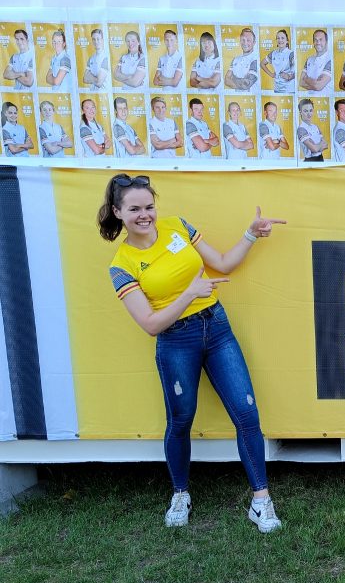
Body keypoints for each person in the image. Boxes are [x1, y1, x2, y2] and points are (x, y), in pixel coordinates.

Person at [99, 174, 285, 533]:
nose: (145, 215)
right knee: (181, 421)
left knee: (246, 413)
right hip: (175, 341)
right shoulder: (121, 264)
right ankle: (180, 493)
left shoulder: (177, 226)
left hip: (216, 327)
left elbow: (224, 263)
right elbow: (151, 324)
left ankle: (261, 502)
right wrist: (190, 293)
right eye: (134, 208)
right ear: (118, 212)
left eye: (149, 206)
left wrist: (251, 234)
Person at [224, 27, 259, 92]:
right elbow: (226, 80)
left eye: (248, 40)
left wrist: (233, 78)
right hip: (238, 97)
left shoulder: (256, 60)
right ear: (240, 41)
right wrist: (241, 82)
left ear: (254, 42)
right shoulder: (235, 59)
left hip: (251, 98)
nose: (245, 43)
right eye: (243, 40)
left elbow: (246, 85)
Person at [260, 29, 295, 94]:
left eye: (282, 38)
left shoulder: (291, 54)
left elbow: (297, 71)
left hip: (289, 89)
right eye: (278, 38)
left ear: (287, 41)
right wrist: (271, 74)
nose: (280, 40)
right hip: (277, 88)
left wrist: (290, 76)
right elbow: (262, 63)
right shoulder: (273, 53)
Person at [299, 29, 332, 95]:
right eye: (315, 40)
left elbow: (318, 86)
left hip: (325, 100)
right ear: (313, 42)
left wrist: (306, 78)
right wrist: (314, 83)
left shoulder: (330, 60)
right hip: (311, 97)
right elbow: (301, 82)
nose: (318, 42)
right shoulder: (309, 59)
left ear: (326, 42)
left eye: (320, 39)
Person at [296, 98, 327, 162]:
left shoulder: (316, 127)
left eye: (310, 110)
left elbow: (325, 145)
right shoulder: (301, 129)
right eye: (305, 111)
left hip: (321, 159)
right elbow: (314, 149)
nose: (309, 114)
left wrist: (316, 145)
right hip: (310, 161)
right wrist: (319, 145)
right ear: (300, 112)